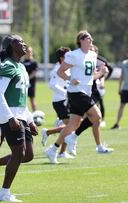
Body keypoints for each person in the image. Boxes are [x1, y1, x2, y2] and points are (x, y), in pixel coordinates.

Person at [0, 34, 38, 202]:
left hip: (20, 115)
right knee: (18, 153)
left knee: (27, 155)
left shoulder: (21, 67)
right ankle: (4, 193)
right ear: (10, 47)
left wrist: (29, 120)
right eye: (19, 41)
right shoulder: (8, 65)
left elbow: (21, 99)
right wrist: (10, 117)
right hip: (10, 117)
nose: (24, 44)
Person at [45, 31, 109, 164]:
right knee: (97, 116)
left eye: (91, 37)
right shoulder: (73, 55)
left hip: (86, 92)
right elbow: (60, 71)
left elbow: (91, 77)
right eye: (87, 37)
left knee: (72, 125)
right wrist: (70, 78)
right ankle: (73, 137)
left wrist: (102, 73)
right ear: (80, 40)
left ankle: (53, 149)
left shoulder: (93, 55)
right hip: (75, 92)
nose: (91, 39)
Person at [41, 47, 74, 159]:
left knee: (71, 126)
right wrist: (66, 93)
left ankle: (61, 151)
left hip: (66, 101)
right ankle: (58, 148)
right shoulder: (57, 69)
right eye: (67, 56)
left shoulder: (68, 68)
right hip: (60, 101)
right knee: (71, 126)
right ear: (61, 58)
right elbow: (52, 85)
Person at [111, 59, 128, 129]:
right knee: (121, 106)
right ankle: (117, 124)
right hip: (125, 89)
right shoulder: (124, 63)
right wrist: (119, 88)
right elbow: (122, 76)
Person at [22, 46, 38, 111]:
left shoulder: (34, 62)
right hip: (23, 84)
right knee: (23, 100)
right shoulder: (22, 62)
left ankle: (35, 114)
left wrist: (27, 78)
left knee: (32, 99)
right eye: (28, 51)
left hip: (31, 83)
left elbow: (34, 72)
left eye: (30, 51)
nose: (29, 53)